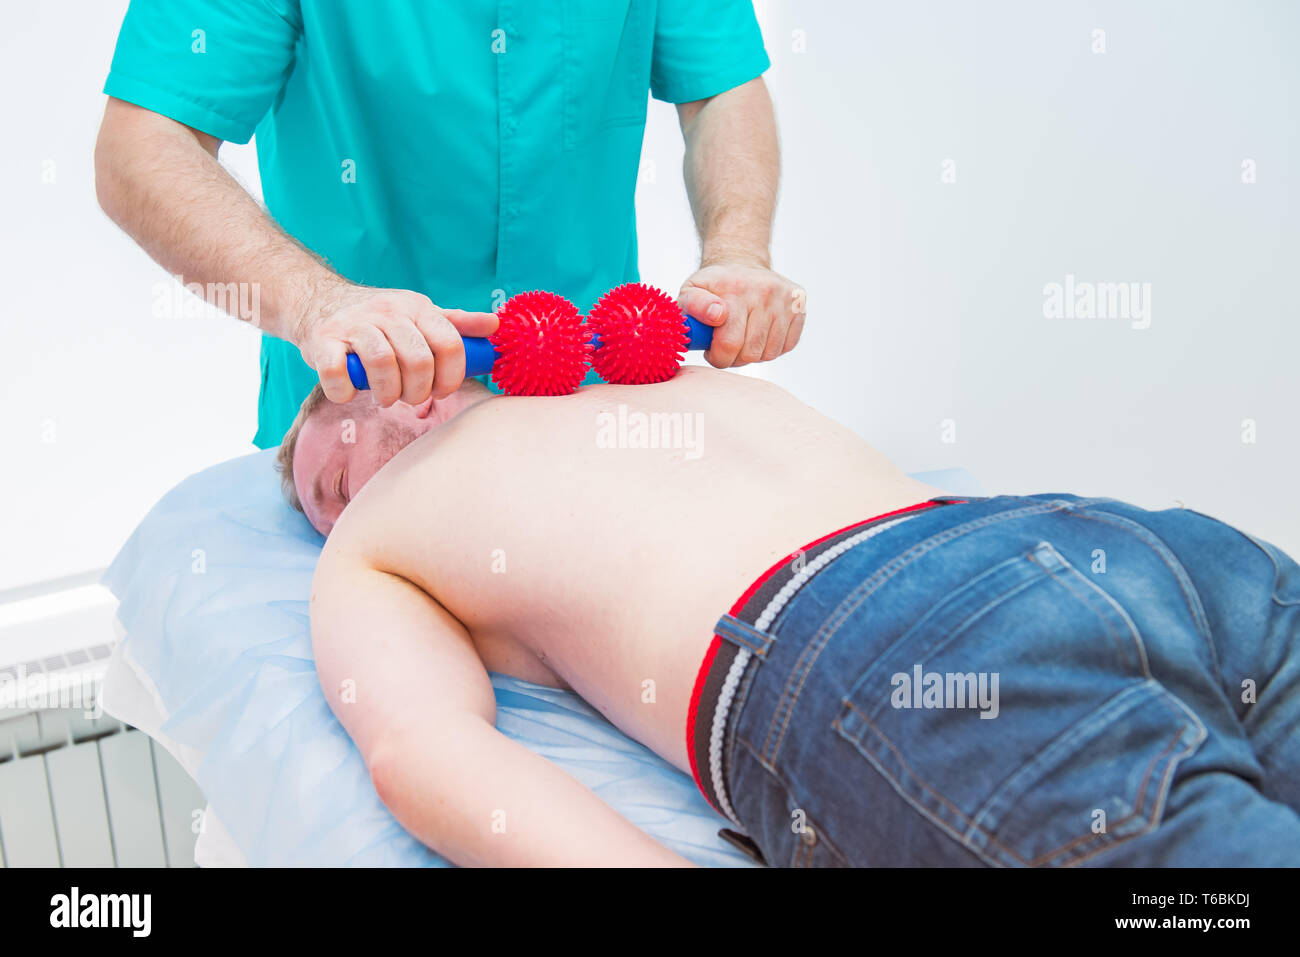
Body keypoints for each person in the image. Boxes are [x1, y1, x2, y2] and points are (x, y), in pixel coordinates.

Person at [276, 370, 1300, 867]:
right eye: (326, 497)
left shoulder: (387, 520)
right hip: (1149, 555)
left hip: (900, 641)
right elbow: (427, 754)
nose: (347, 494)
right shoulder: (663, 383)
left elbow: (422, 754)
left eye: (334, 461)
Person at [95, 0, 804, 448]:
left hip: (596, 411)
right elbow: (142, 148)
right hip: (367, 431)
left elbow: (719, 88)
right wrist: (319, 303)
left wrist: (738, 249)